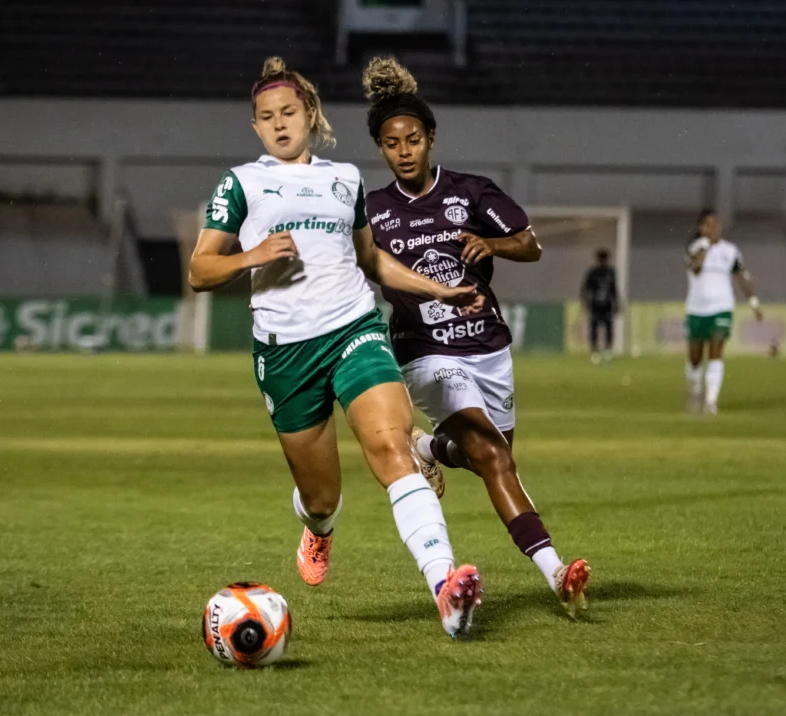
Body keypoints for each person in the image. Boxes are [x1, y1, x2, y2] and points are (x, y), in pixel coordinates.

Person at [189, 57, 484, 637]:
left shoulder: (344, 179)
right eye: (267, 117)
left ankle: (445, 587)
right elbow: (200, 270)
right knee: (322, 497)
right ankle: (319, 530)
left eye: (289, 113)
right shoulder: (242, 183)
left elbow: (371, 261)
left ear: (310, 114)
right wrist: (253, 255)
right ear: (255, 128)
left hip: (353, 328)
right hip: (285, 354)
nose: (279, 124)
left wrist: (439, 289)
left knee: (388, 446)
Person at [361, 56, 590, 616]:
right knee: (490, 451)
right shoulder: (372, 212)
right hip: (424, 353)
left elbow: (530, 243)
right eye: (393, 144)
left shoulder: (472, 192)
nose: (405, 150)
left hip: (488, 346)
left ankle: (428, 446)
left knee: (494, 458)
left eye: (414, 138)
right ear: (383, 150)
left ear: (431, 138)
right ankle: (556, 572)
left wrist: (494, 245)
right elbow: (364, 269)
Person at [685, 209, 764, 414]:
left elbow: (741, 276)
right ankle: (695, 385)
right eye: (709, 225)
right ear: (702, 228)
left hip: (721, 307)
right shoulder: (694, 247)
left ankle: (711, 400)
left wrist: (753, 302)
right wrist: (705, 247)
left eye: (717, 224)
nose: (715, 229)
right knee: (695, 357)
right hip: (696, 309)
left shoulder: (731, 251)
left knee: (716, 350)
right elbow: (695, 268)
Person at [581, 248, 619, 363]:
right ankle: (595, 351)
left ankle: (608, 350)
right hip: (595, 305)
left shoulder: (611, 272)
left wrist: (616, 303)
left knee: (609, 327)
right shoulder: (593, 272)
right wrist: (586, 302)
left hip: (607, 305)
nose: (603, 261)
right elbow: (585, 289)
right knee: (594, 328)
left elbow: (614, 289)